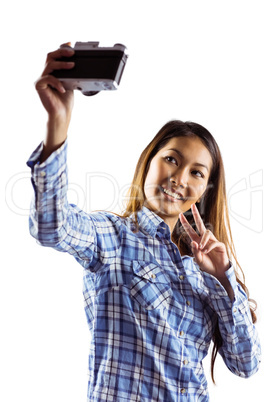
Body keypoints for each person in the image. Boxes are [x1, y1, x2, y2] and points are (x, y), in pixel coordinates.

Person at [27, 43, 261, 401]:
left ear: (205, 189)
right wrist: (57, 123)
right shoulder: (112, 239)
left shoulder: (207, 270)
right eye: (171, 159)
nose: (179, 178)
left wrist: (223, 278)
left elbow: (247, 364)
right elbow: (51, 225)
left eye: (196, 172)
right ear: (149, 161)